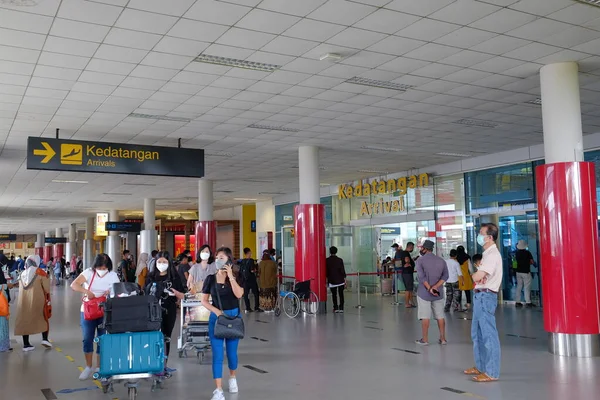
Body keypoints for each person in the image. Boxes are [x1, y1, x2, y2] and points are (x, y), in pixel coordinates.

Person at [201, 247, 244, 400]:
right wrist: (217, 311)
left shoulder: (237, 276)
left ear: (229, 261)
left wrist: (231, 276)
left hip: (234, 319)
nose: (219, 260)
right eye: (217, 257)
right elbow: (204, 301)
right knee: (217, 355)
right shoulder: (210, 279)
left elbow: (239, 295)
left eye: (222, 258)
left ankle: (232, 377)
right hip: (217, 320)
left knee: (232, 353)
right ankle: (218, 389)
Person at [70, 253, 120, 380]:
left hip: (105, 311)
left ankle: (99, 367)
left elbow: (118, 291)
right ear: (95, 266)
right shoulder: (88, 273)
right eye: (100, 268)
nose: (102, 270)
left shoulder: (113, 276)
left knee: (102, 339)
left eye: (105, 268)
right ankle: (88, 366)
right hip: (88, 311)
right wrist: (87, 292)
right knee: (87, 338)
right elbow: (74, 285)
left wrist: (111, 292)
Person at [464, 223, 503, 383]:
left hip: (486, 296)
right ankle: (481, 366)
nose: (479, 236)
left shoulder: (492, 254)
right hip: (479, 296)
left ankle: (492, 372)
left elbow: (477, 276)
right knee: (477, 334)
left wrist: (472, 272)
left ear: (490, 237)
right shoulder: (486, 254)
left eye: (481, 233)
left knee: (488, 335)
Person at [146, 252, 185, 375]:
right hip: (153, 311)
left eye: (164, 262)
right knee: (155, 336)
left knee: (166, 337)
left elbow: (183, 295)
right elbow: (145, 293)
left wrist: (176, 293)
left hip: (170, 310)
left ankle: (163, 365)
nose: (161, 265)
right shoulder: (151, 276)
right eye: (159, 262)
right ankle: (153, 363)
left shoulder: (174, 277)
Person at [15, 255, 52, 352]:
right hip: (38, 300)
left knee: (25, 321)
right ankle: (44, 339)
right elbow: (47, 289)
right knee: (43, 318)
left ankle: (26, 344)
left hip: (23, 302)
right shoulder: (40, 272)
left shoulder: (22, 273)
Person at [415, 240, 448, 346]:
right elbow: (445, 276)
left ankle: (425, 340)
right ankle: (443, 339)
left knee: (425, 316)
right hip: (438, 293)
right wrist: (436, 287)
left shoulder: (420, 260)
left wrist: (429, 288)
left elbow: (421, 277)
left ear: (425, 248)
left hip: (424, 293)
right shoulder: (441, 260)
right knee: (440, 316)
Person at [326, 246, 346, 313]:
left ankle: (335, 307)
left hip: (332, 280)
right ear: (336, 251)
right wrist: (344, 278)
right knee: (341, 294)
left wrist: (327, 279)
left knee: (334, 295)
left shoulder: (327, 260)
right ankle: (341, 308)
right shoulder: (340, 260)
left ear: (330, 252)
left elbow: (326, 271)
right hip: (340, 280)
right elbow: (342, 270)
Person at [514, 240, 535, 308]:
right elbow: (532, 262)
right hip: (526, 272)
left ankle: (518, 302)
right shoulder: (527, 253)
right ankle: (528, 302)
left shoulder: (516, 253)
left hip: (518, 272)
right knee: (526, 287)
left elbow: (514, 263)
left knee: (519, 286)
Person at [239, 248, 260, 313]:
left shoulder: (242, 261)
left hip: (245, 280)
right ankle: (256, 307)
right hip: (251, 280)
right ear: (249, 253)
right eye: (250, 252)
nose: (251, 254)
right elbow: (252, 270)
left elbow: (240, 270)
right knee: (256, 293)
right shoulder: (251, 260)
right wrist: (255, 270)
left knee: (246, 294)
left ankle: (248, 308)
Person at [0, 269, 17, 352]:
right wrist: (7, 285)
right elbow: (2, 285)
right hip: (1, 304)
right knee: (2, 324)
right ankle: (3, 346)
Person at [456, 246, 474, 311]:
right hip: (466, 276)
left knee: (458, 290)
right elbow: (470, 268)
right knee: (467, 291)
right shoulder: (467, 258)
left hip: (458, 276)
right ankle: (468, 303)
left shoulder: (456, 258)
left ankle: (458, 303)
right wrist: (472, 274)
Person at [400, 242, 416, 308]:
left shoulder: (405, 253)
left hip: (407, 273)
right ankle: (407, 303)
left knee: (409, 288)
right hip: (407, 273)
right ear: (410, 247)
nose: (412, 249)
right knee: (408, 289)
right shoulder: (406, 253)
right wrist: (409, 263)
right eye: (412, 247)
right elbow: (407, 260)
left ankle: (410, 302)